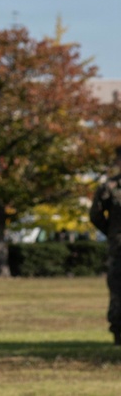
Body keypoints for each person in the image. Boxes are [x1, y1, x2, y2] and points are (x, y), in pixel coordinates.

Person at [89, 146, 121, 344]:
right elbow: (95, 215)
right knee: (118, 289)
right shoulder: (109, 187)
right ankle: (118, 331)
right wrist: (112, 233)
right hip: (119, 248)